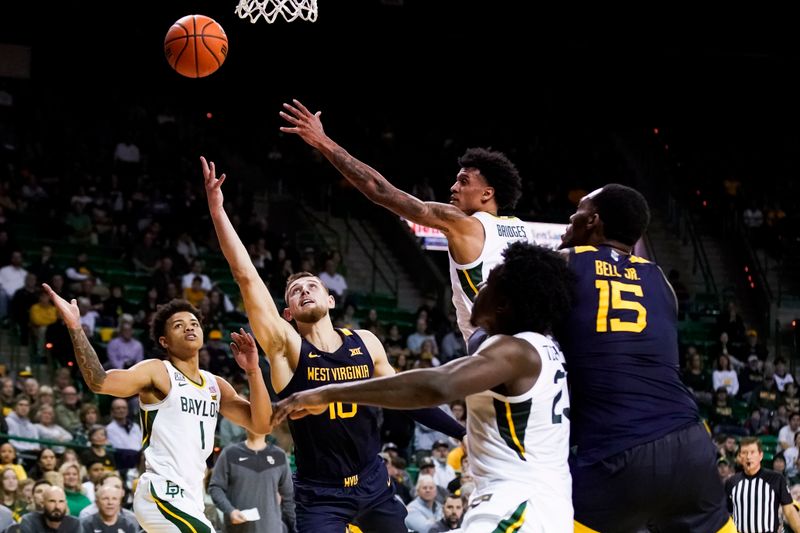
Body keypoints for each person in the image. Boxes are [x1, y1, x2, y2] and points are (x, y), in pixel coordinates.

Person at [201, 156, 465, 533]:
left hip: (373, 481)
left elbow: (410, 398)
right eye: (294, 291)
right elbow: (246, 277)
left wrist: (463, 432)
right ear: (287, 312)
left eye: (312, 286)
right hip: (320, 493)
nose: (304, 290)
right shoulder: (285, 349)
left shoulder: (367, 342)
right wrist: (218, 211)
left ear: (331, 299)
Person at [272, 241, 575, 532]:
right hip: (322, 490)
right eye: (295, 291)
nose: (479, 287)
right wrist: (461, 431)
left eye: (489, 282)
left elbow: (434, 386)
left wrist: (327, 391)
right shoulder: (534, 345)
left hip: (521, 506)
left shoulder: (512, 351)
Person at [557, 183, 734, 532]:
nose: (570, 217)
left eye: (577, 211)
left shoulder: (562, 263)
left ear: (593, 221)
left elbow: (488, 311)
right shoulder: (662, 280)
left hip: (614, 450)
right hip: (690, 444)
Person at [279, 100, 527, 347]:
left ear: (487, 193)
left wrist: (323, 142)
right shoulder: (521, 230)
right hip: (531, 340)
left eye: (463, 181)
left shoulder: (464, 223)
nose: (453, 187)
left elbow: (380, 190)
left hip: (493, 343)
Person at [42, 283, 272, 533]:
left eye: (194, 323)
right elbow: (100, 381)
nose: (189, 327)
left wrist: (252, 370)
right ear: (165, 342)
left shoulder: (215, 385)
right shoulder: (158, 371)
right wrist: (76, 328)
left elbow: (261, 424)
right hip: (160, 493)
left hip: (191, 499)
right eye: (179, 325)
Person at [208, 428, 296, 533]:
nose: (256, 423)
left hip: (271, 528)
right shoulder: (230, 453)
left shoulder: (279, 456)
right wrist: (230, 510)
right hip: (238, 529)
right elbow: (215, 488)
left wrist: (297, 527)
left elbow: (289, 498)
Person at [726, 437, 800, 532]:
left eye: (752, 452)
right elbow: (726, 513)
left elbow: (789, 511)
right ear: (740, 457)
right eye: (744, 453)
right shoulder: (731, 482)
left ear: (761, 455)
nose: (748, 457)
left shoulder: (776, 479)